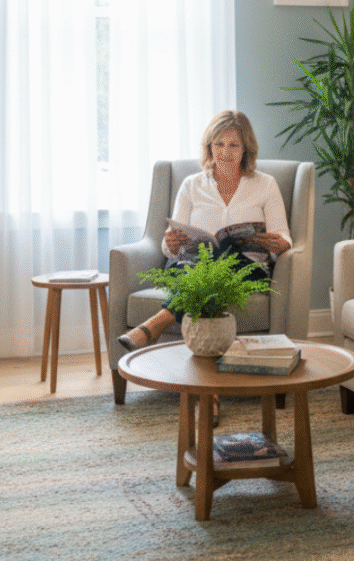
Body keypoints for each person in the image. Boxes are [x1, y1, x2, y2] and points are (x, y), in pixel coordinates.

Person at [117, 110, 292, 420]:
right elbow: (171, 240)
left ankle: (158, 322)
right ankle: (209, 392)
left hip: (245, 266)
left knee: (220, 266)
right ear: (209, 147)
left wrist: (281, 244)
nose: (224, 153)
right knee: (204, 284)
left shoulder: (265, 185)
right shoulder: (191, 185)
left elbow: (284, 237)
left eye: (233, 145)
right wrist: (168, 244)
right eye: (218, 144)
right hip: (193, 266)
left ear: (246, 149)